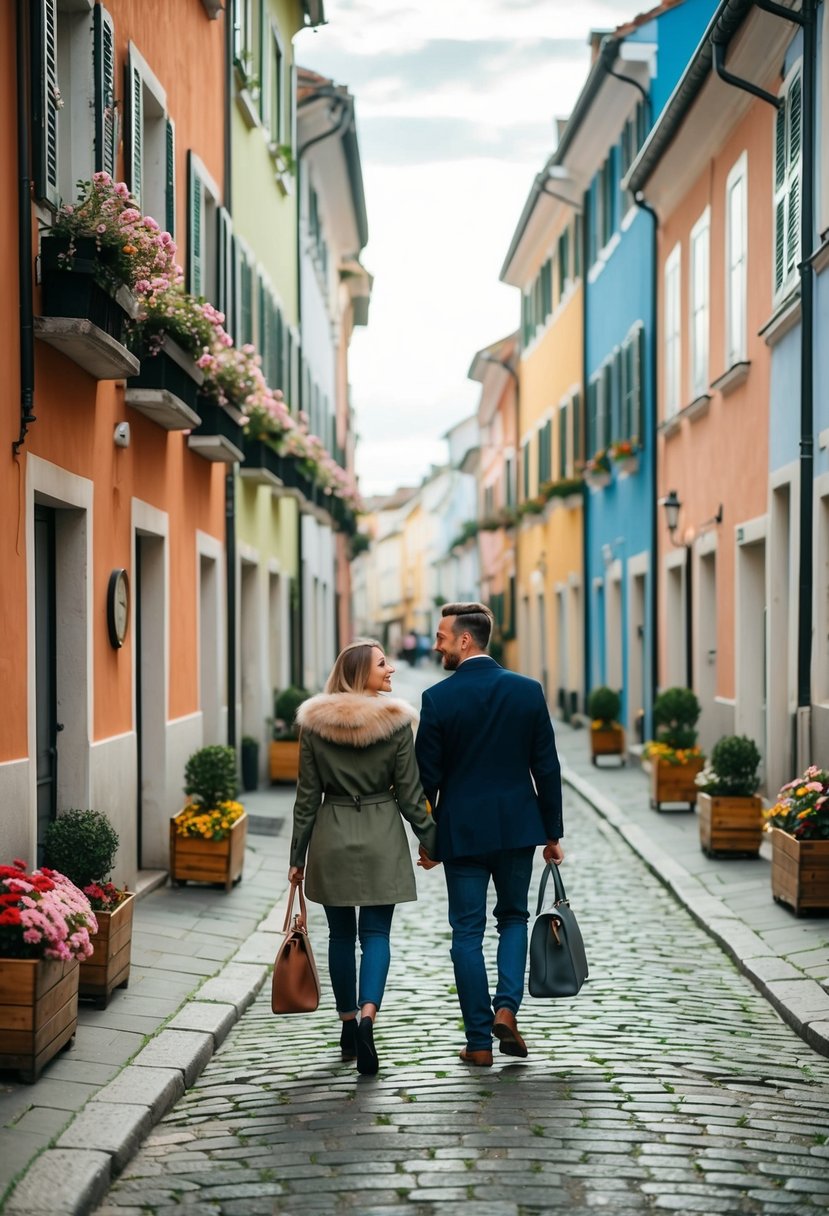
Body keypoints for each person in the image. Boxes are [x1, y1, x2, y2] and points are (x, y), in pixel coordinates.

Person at [415, 602, 564, 1068]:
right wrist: (552, 833)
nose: (436, 643)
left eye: (442, 636)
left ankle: (479, 1042)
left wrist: (429, 837)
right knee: (514, 918)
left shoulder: (438, 699)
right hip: (518, 826)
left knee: (466, 930)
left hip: (462, 831)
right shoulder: (527, 691)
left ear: (465, 640)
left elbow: (427, 779)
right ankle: (506, 1009)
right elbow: (547, 767)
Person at [289, 639, 437, 1076]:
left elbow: (305, 799)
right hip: (380, 835)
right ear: (360, 673)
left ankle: (348, 1025)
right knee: (376, 935)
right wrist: (434, 842)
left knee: (339, 936)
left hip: (332, 832)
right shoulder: (395, 724)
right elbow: (412, 797)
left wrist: (297, 856)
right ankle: (370, 1014)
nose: (390, 669)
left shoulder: (315, 724)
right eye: (381, 664)